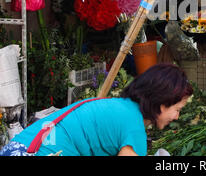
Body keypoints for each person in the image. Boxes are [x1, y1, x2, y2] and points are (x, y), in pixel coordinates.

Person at [0, 63, 192, 156]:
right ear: (162, 103)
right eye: (177, 108)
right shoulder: (134, 130)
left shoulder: (117, 106)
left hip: (19, 147)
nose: (177, 116)